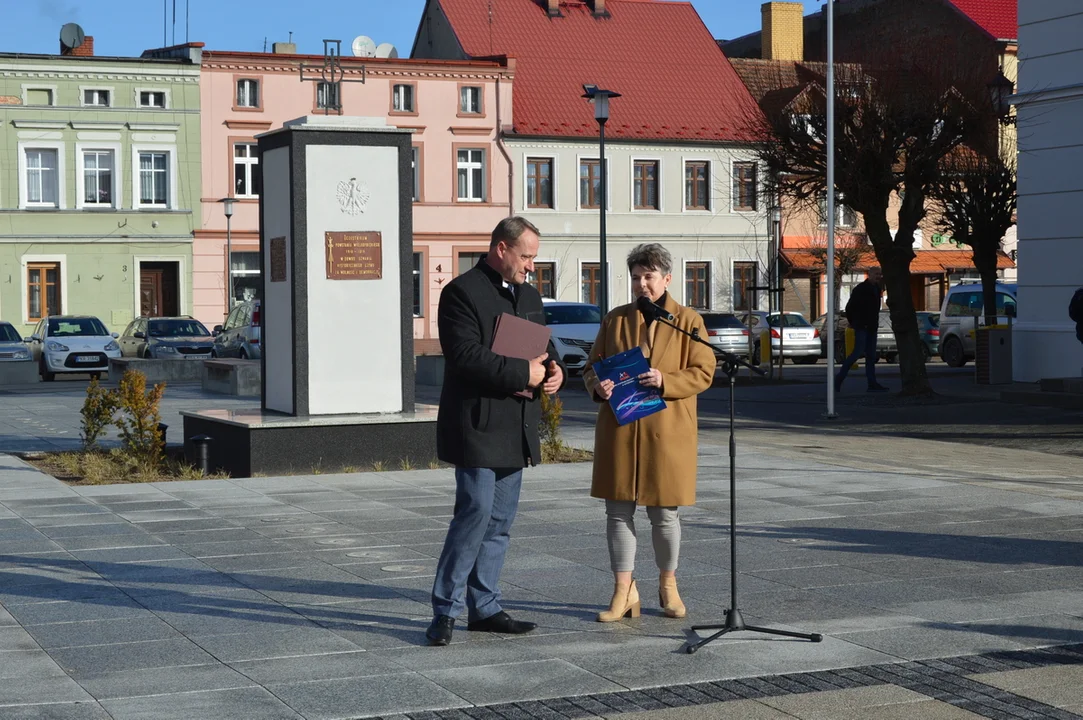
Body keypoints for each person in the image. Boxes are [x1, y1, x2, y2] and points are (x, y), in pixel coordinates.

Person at [426, 216, 566, 647]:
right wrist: (527, 370)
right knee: (474, 515)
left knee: (500, 522)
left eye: (534, 258)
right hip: (477, 424)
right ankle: (444, 611)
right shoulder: (460, 293)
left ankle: (484, 607)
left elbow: (543, 344)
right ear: (501, 249)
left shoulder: (528, 293)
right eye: (526, 256)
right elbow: (465, 356)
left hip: (515, 425)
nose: (531, 266)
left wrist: (554, 370)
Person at [583, 243, 716, 623]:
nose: (642, 284)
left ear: (667, 279)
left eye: (649, 277)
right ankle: (623, 591)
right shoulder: (616, 319)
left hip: (668, 432)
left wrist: (665, 380)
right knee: (618, 512)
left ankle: (668, 585)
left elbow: (704, 371)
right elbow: (592, 367)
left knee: (664, 515)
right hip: (620, 430)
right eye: (637, 277)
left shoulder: (688, 320)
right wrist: (598, 386)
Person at [835, 267, 889, 393]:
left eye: (880, 274)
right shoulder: (860, 289)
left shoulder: (877, 289)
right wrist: (855, 323)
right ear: (869, 274)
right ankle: (839, 379)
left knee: (871, 356)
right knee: (857, 353)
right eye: (876, 274)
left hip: (872, 327)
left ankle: (872, 383)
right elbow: (850, 307)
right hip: (862, 327)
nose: (878, 276)